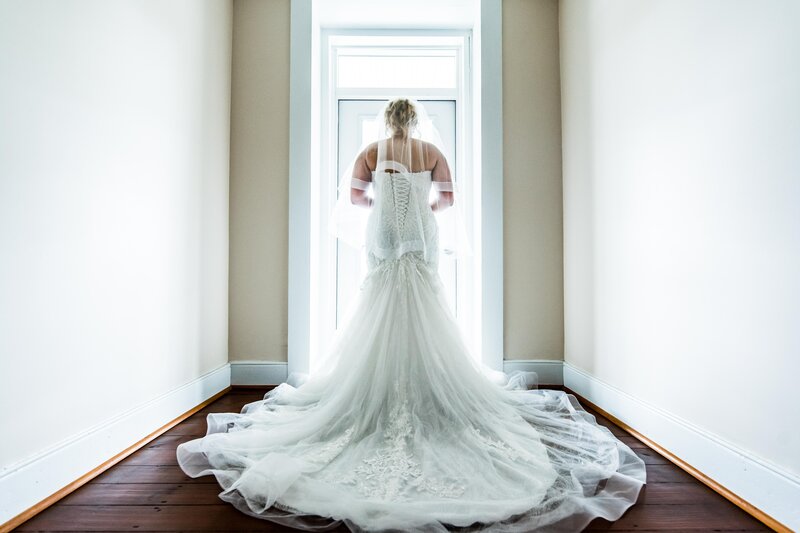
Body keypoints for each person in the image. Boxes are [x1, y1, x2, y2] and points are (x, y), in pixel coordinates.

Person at [176, 98, 646, 532]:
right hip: (422, 232)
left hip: (382, 231)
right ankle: (427, 383)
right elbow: (448, 199)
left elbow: (357, 200)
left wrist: (385, 193)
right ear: (415, 120)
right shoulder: (431, 151)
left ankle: (375, 386)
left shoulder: (370, 150)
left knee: (379, 297)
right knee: (424, 298)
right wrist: (422, 200)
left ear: (387, 120)